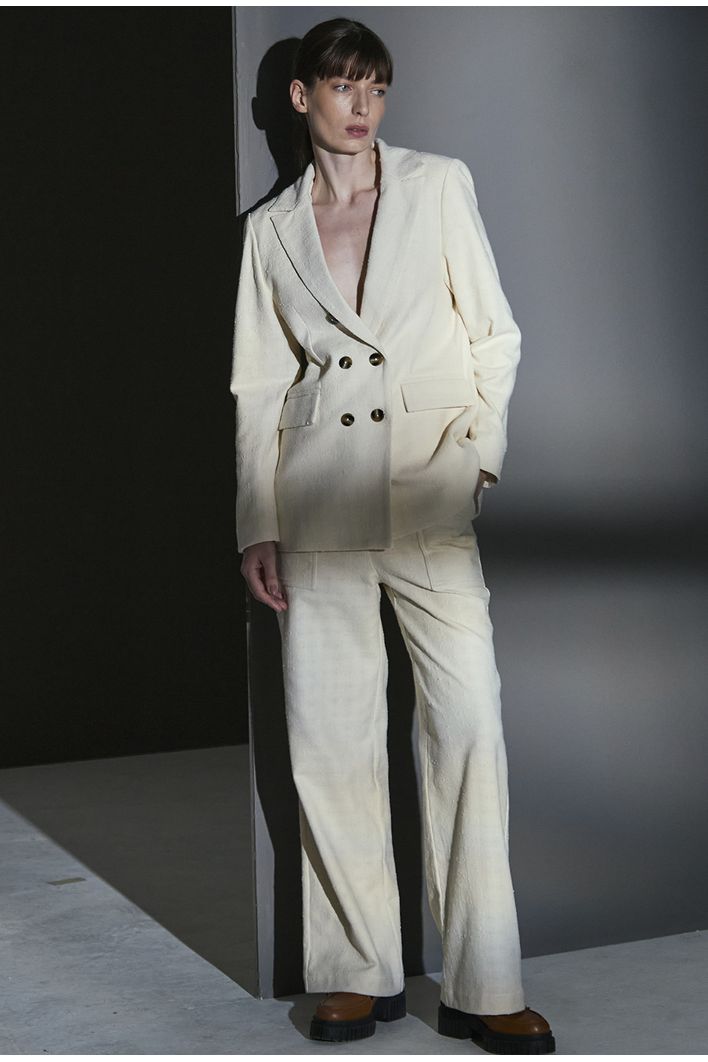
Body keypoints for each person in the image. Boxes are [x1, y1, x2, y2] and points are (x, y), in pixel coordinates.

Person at [230, 17, 555, 1056]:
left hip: (427, 496)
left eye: (375, 86)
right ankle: (352, 974)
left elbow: (494, 333)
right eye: (342, 86)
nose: (362, 106)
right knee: (330, 742)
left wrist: (475, 459)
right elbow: (259, 387)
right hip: (317, 498)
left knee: (468, 728)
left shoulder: (438, 185)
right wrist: (258, 522)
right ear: (302, 99)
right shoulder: (271, 230)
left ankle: (483, 983)